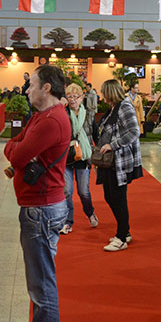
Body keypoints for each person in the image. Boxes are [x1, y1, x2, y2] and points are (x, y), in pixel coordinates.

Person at [4, 66, 72, 322]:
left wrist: (18, 150)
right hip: (39, 207)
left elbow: (15, 154)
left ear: (46, 88)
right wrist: (18, 148)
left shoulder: (52, 120)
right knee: (38, 280)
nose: (26, 90)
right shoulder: (42, 117)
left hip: (42, 209)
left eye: (31, 85)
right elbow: (11, 142)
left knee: (42, 282)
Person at [96, 79, 142, 251]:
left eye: (103, 92)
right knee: (110, 196)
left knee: (117, 197)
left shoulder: (124, 107)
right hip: (111, 161)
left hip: (120, 161)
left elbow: (134, 132)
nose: (102, 95)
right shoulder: (114, 108)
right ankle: (125, 231)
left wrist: (112, 145)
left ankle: (122, 236)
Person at [61, 83, 98, 234]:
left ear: (81, 98)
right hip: (67, 157)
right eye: (69, 96)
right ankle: (67, 221)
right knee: (67, 191)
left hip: (84, 156)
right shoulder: (63, 114)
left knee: (83, 191)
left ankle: (90, 213)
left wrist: (98, 155)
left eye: (75, 96)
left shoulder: (89, 115)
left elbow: (95, 136)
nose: (72, 100)